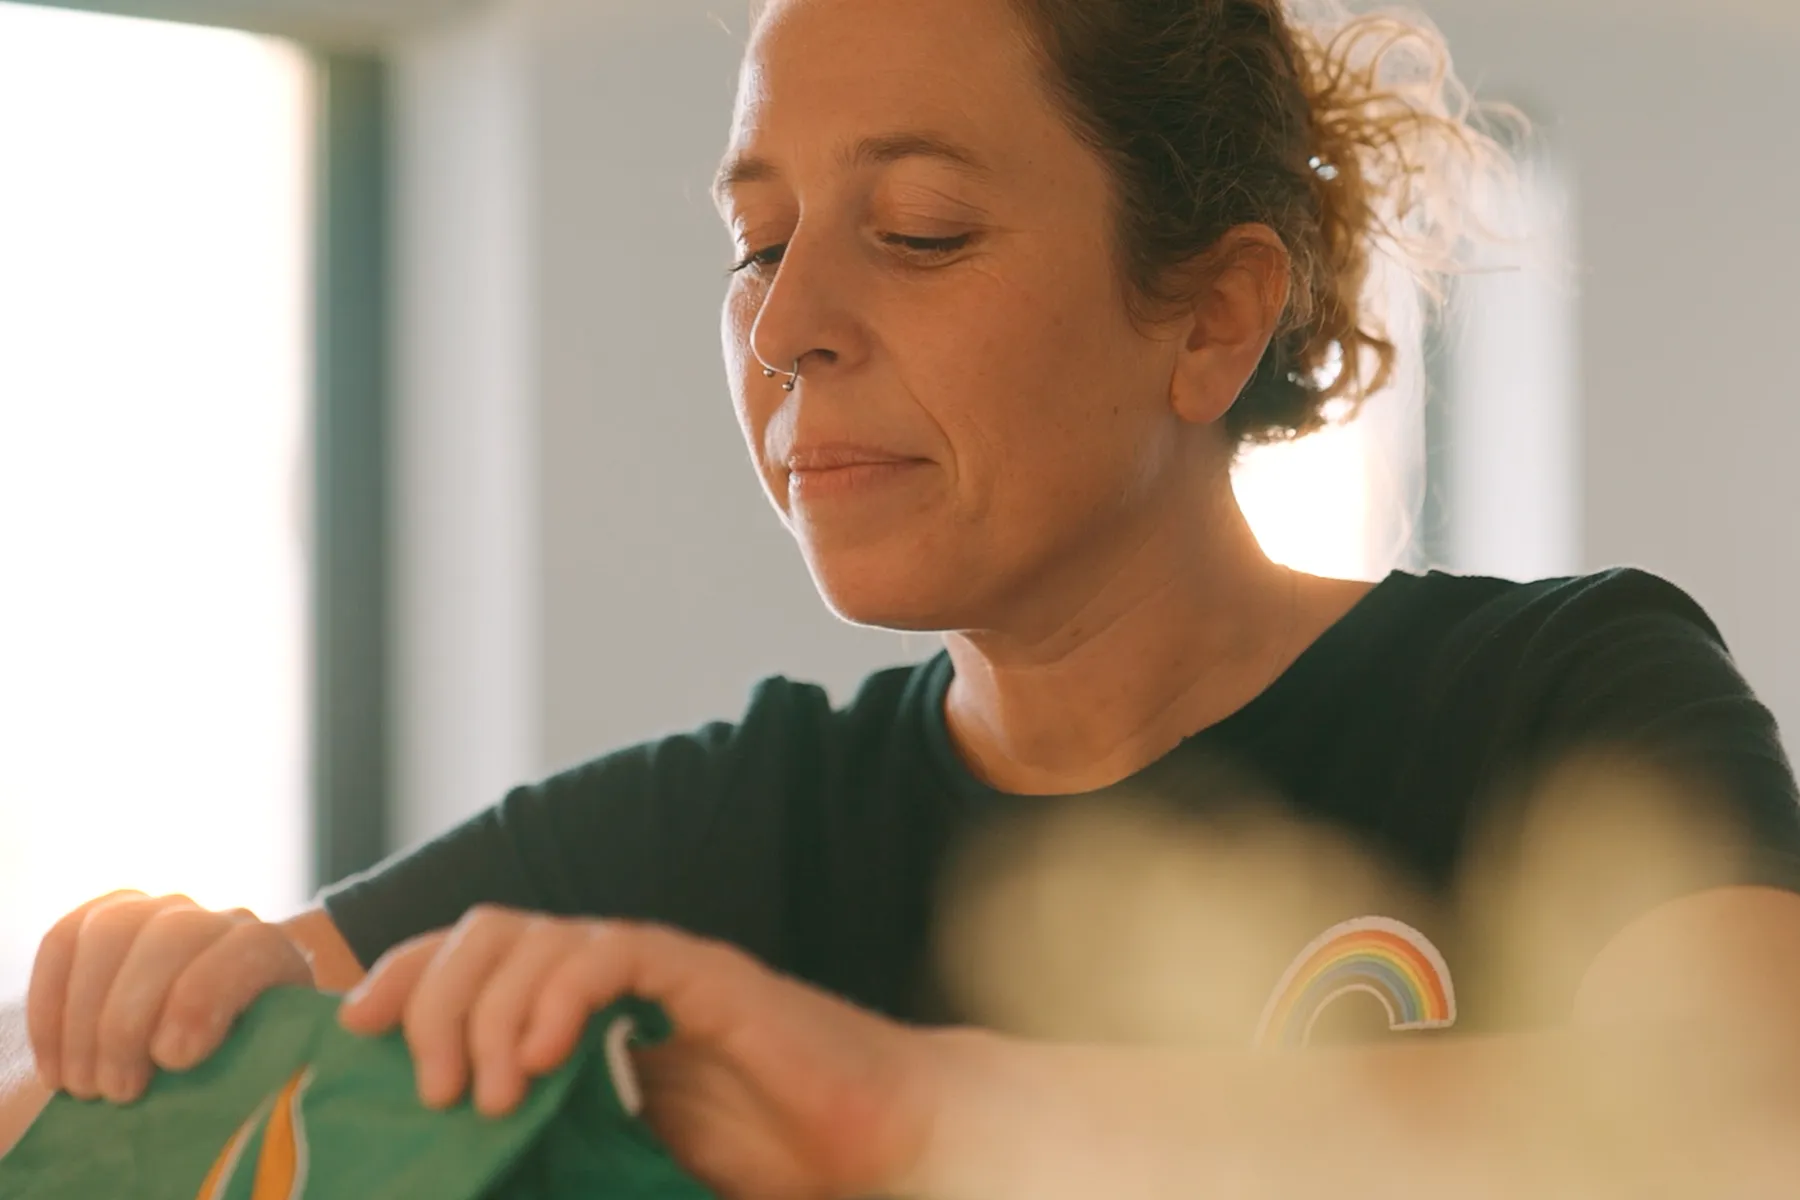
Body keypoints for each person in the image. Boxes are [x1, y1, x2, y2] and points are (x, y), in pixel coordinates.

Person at [6, 0, 1800, 1195]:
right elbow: (134, 1097)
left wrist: (916, 1109)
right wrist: (162, 1015)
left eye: (922, 229)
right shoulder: (712, 837)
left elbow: (1740, 1121)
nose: (787, 329)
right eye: (757, 242)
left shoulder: (1555, 697)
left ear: (1211, 314)